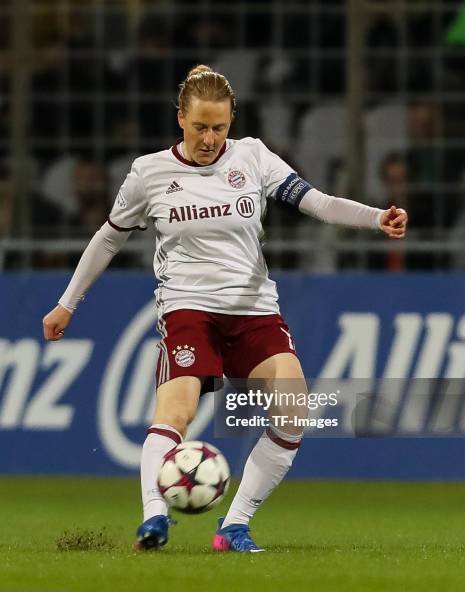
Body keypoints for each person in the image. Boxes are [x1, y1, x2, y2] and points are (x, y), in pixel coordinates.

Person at [42, 65, 408, 553]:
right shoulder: (149, 174)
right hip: (188, 309)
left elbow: (315, 202)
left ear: (232, 119)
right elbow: (108, 239)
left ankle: (234, 526)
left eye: (219, 127)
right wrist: (68, 303)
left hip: (254, 309)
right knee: (179, 409)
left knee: (293, 408)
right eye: (200, 127)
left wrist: (375, 218)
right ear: (180, 119)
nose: (210, 138)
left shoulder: (253, 157)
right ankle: (155, 517)